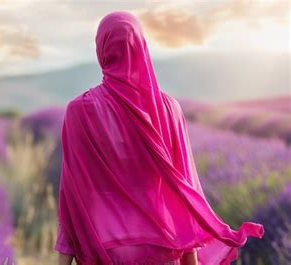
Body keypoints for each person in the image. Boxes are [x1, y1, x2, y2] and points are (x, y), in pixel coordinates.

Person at [54, 11, 264, 265]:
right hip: (163, 247)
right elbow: (183, 189)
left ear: (102, 49)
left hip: (104, 248)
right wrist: (191, 260)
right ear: (142, 47)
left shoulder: (80, 111)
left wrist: (62, 261)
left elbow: (73, 196)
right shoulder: (169, 110)